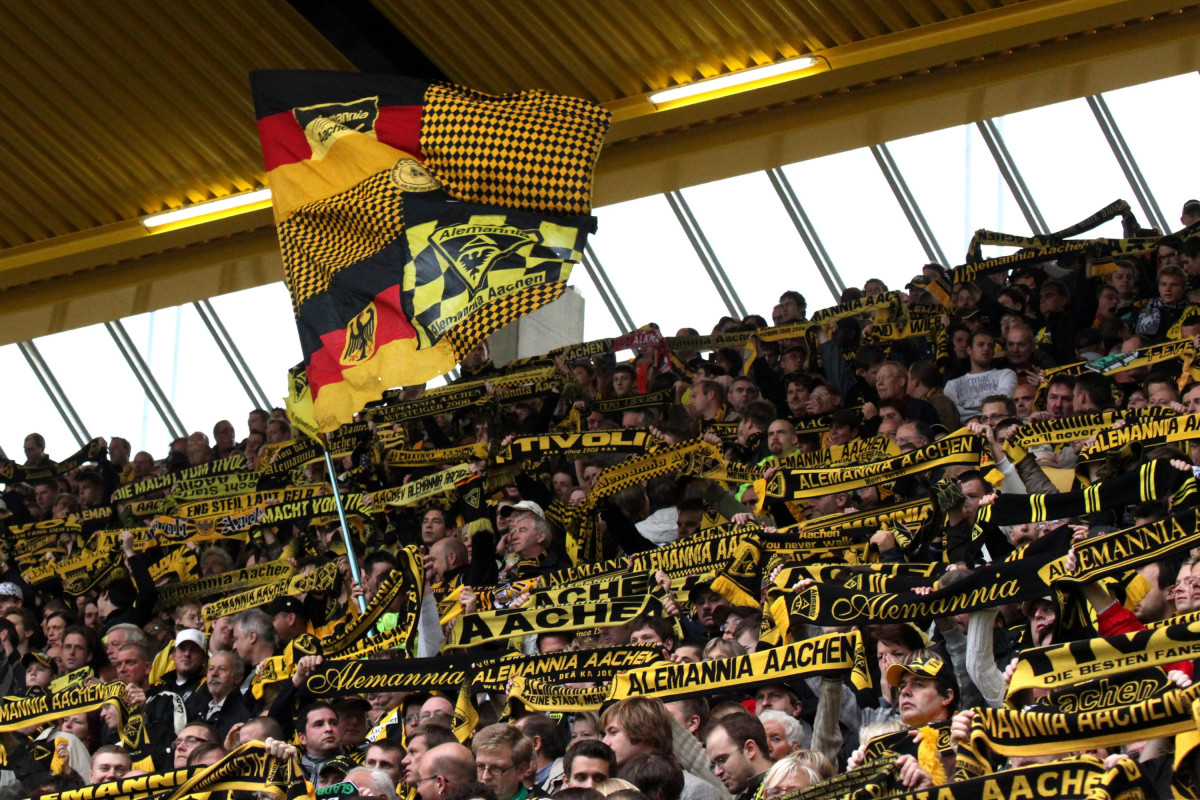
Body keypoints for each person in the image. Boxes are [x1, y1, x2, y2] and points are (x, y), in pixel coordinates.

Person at [702, 715, 772, 800]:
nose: (717, 772)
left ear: (750, 749)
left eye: (721, 759)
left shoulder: (781, 790)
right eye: (713, 765)